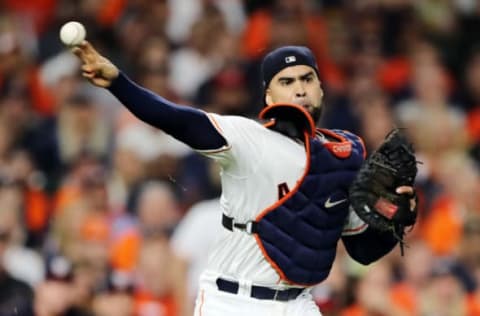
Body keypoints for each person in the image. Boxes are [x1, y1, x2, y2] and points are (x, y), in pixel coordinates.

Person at [71, 42, 416, 315]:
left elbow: (362, 250)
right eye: (287, 81)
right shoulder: (249, 138)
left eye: (307, 79)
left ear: (321, 89)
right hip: (233, 301)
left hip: (298, 304)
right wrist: (120, 84)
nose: (299, 89)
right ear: (268, 96)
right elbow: (180, 120)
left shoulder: (346, 154)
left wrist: (397, 216)